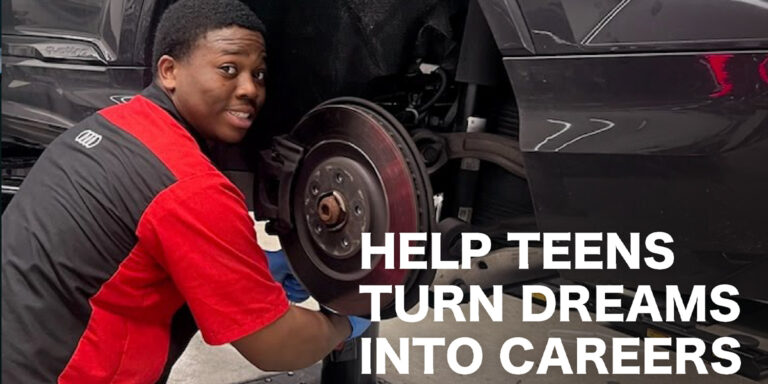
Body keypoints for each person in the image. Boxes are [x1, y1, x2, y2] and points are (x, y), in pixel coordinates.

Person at [1, 0, 370, 382]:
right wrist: (342, 327)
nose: (250, 89)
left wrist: (258, 266)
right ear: (169, 71)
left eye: (259, 74)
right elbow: (273, 343)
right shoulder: (190, 187)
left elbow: (137, 244)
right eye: (229, 69)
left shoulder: (107, 125)